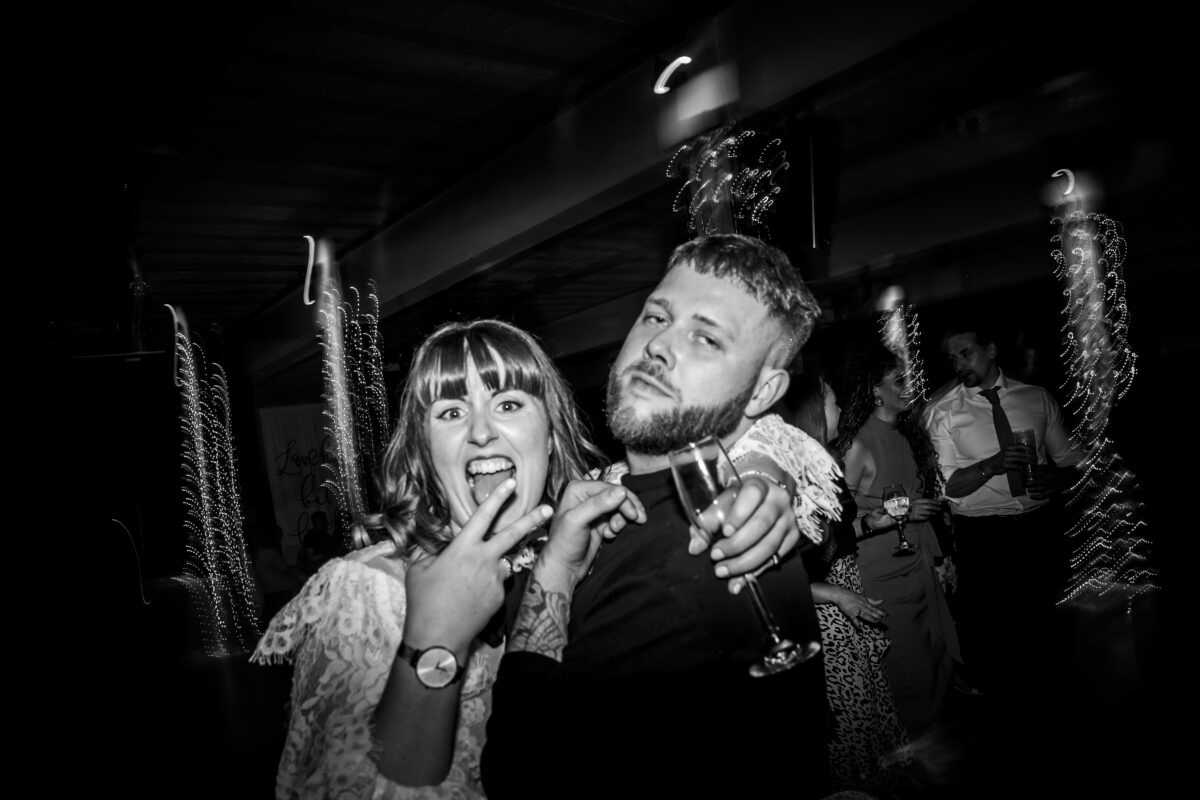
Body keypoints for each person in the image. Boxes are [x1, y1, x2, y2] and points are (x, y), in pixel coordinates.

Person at [251, 318, 793, 799]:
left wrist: (765, 481)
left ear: (551, 437)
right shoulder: (367, 588)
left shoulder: (570, 552)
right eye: (451, 411)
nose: (482, 432)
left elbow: (712, 449)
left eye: (508, 405)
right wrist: (436, 637)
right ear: (424, 452)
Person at [482, 234, 834, 799]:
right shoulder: (621, 504)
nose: (660, 345)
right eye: (656, 316)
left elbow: (517, 772)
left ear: (763, 392)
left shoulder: (699, 557)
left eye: (706, 338)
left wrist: (554, 574)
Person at [924, 321, 1083, 763]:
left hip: (1037, 528)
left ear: (991, 350)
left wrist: (1058, 479)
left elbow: (1070, 458)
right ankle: (1006, 739)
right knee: (995, 636)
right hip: (984, 537)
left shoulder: (1036, 398)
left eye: (966, 353)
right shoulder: (942, 412)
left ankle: (1058, 724)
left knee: (1046, 627)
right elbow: (946, 488)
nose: (959, 364)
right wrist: (991, 465)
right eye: (952, 358)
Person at [777, 368, 913, 796]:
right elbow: (777, 575)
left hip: (843, 592)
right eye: (833, 401)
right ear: (813, 412)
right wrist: (836, 594)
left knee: (869, 703)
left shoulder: (821, 465)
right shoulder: (787, 479)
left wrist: (870, 524)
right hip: (822, 613)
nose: (840, 408)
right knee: (849, 716)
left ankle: (880, 787)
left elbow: (830, 539)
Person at [830, 341, 961, 740]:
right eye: (898, 380)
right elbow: (838, 521)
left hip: (918, 559)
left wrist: (941, 557)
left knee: (934, 649)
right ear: (875, 390)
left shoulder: (907, 434)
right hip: (882, 571)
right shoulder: (858, 444)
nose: (909, 385)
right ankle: (911, 743)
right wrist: (895, 516)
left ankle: (929, 735)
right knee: (907, 661)